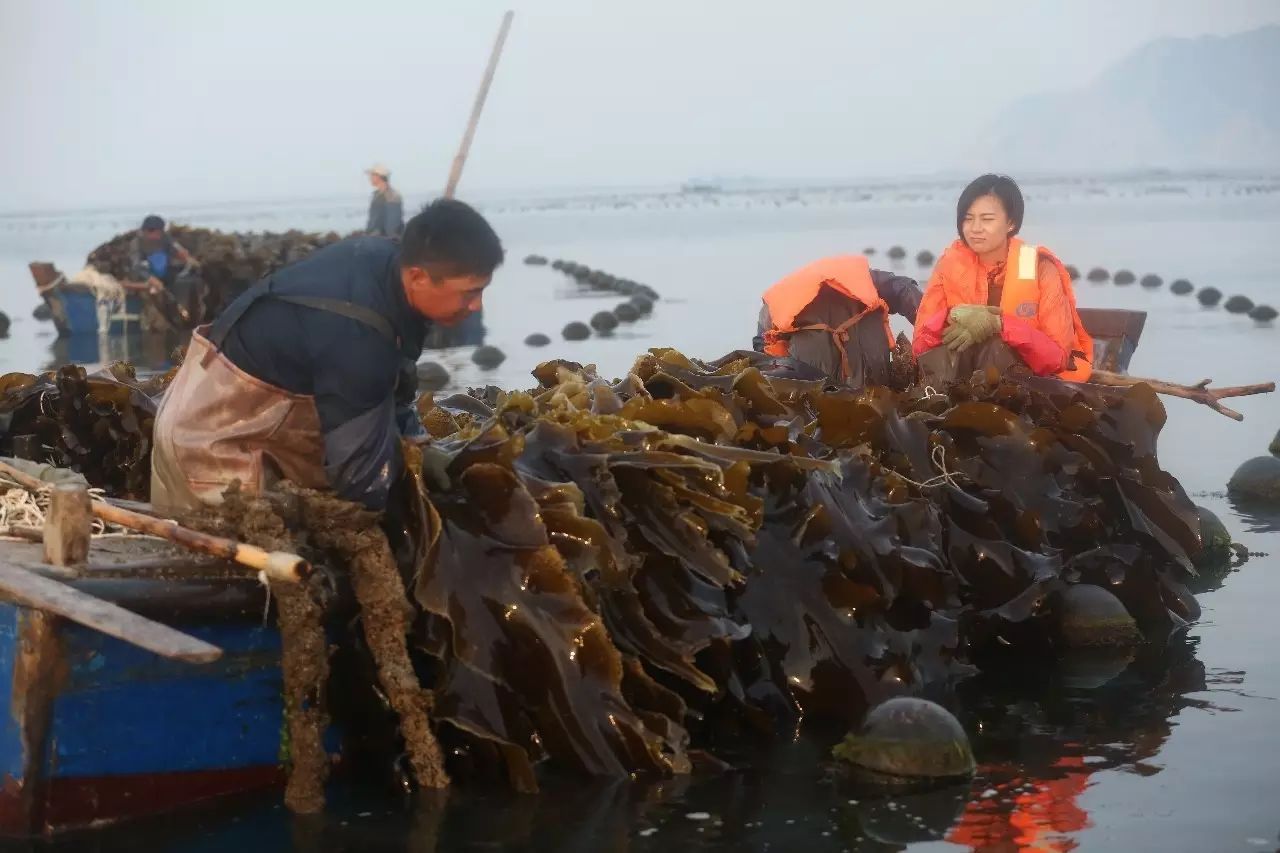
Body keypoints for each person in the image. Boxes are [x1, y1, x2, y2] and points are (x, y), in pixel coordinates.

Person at [150, 198, 504, 512]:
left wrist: (418, 446)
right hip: (210, 449)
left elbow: (391, 387)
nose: (477, 306)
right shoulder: (356, 335)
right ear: (418, 276)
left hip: (234, 413)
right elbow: (360, 478)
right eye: (470, 293)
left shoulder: (384, 265)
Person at [913, 175, 1093, 384]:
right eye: (968, 218)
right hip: (958, 383)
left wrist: (998, 324)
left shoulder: (1040, 268)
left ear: (1011, 223)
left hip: (1025, 384)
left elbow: (1058, 357)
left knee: (993, 348)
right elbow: (919, 345)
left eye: (987, 219)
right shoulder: (949, 265)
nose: (975, 228)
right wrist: (951, 316)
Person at [753, 255, 921, 388]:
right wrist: (929, 335)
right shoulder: (869, 281)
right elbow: (905, 289)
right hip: (873, 385)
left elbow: (763, 345)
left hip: (817, 391)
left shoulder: (781, 297)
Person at [128, 214, 201, 328]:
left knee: (187, 281)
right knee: (154, 293)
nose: (159, 235)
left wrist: (186, 257)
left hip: (164, 276)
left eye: (160, 232)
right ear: (147, 231)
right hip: (145, 278)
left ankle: (184, 314)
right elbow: (136, 266)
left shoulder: (165, 239)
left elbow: (175, 249)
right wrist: (150, 278)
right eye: (156, 232)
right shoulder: (137, 244)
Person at [365, 163, 404, 238]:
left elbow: (392, 224)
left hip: (385, 239)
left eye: (372, 175)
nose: (370, 178)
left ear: (379, 177)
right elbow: (373, 221)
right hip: (373, 237)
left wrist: (379, 236)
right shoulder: (376, 195)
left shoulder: (392, 196)